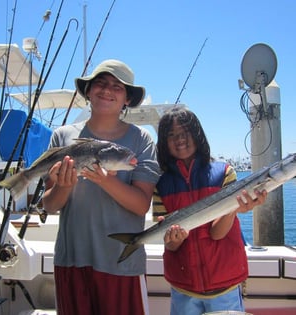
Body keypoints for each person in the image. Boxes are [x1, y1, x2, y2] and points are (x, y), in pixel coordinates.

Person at [42, 59, 160, 315]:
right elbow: (50, 205)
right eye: (101, 83)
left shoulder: (141, 140)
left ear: (127, 98)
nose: (107, 90)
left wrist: (105, 179)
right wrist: (63, 186)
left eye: (117, 87)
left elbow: (141, 205)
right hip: (72, 261)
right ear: (89, 91)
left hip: (121, 264)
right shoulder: (62, 136)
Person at [155, 106, 267, 315]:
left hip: (225, 285)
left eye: (185, 132)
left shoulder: (224, 173)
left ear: (197, 134)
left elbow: (218, 233)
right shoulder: (160, 185)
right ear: (163, 142)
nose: (179, 139)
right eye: (171, 135)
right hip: (183, 287)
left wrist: (233, 208)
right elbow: (170, 246)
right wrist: (174, 238)